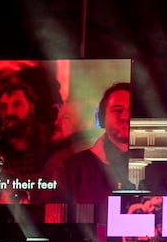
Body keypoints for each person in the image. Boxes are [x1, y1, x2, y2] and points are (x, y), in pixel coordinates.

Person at [51, 81, 132, 214]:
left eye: (131, 111)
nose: (124, 117)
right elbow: (56, 217)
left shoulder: (163, 165)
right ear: (102, 117)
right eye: (118, 110)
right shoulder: (71, 168)